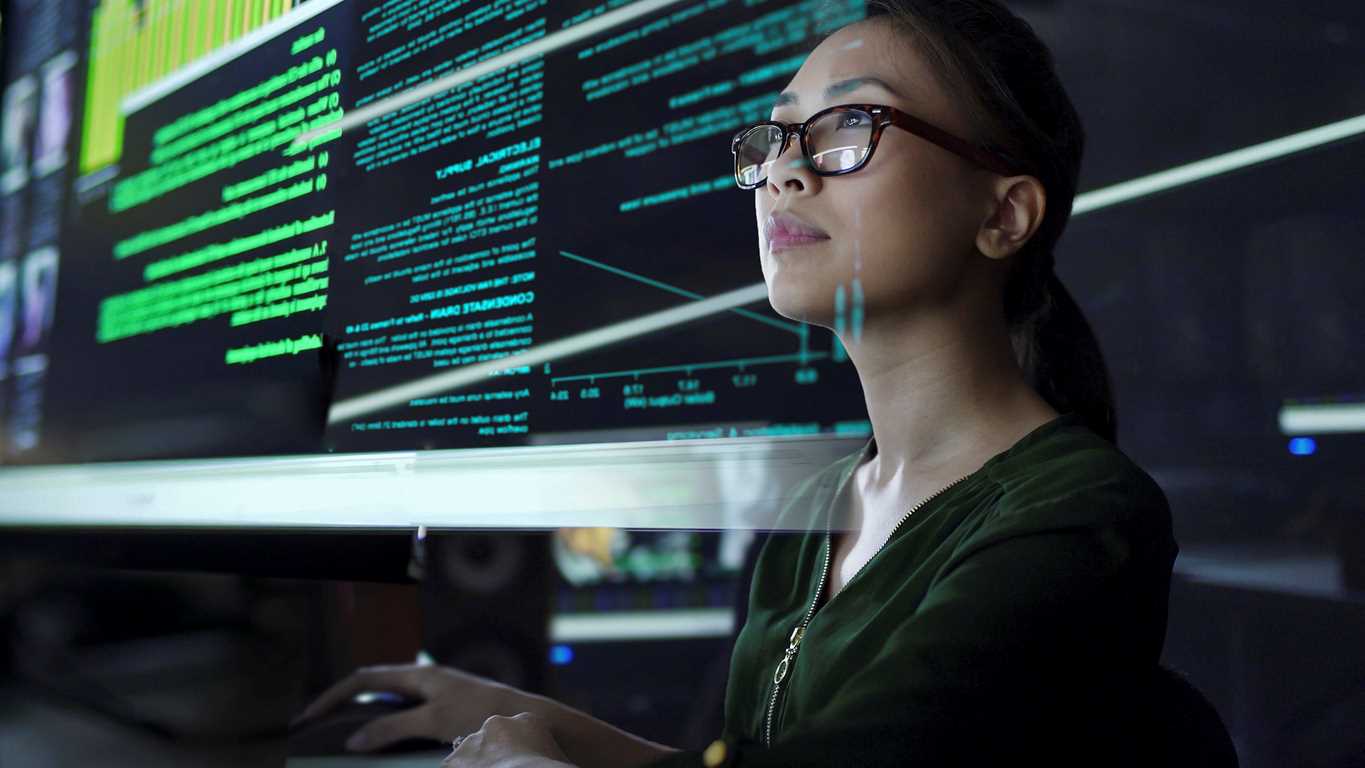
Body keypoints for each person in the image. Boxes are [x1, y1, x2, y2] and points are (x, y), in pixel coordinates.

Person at [293, 1, 1179, 765]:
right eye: (774, 137)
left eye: (847, 129)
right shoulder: (826, 504)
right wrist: (522, 721)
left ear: (1002, 214)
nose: (782, 173)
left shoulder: (1077, 511)